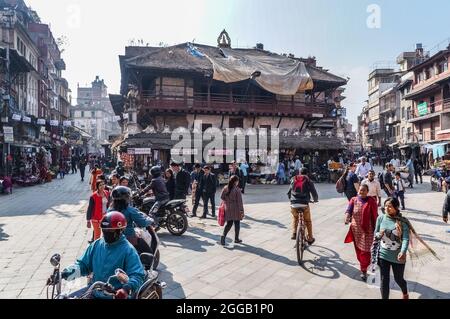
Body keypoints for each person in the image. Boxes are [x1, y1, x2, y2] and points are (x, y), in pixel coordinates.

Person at [61, 211, 146, 299]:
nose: (106, 233)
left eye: (110, 230)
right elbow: (83, 265)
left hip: (116, 295)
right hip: (94, 291)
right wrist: (66, 273)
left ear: (120, 231)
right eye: (104, 230)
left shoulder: (128, 250)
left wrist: (126, 289)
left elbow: (137, 275)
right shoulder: (97, 244)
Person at [373, 198, 409, 299]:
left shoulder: (402, 222)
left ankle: (405, 292)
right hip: (383, 255)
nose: (387, 208)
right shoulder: (380, 218)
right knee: (384, 280)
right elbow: (375, 234)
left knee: (399, 279)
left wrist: (403, 252)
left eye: (390, 206)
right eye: (386, 206)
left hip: (398, 257)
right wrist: (378, 234)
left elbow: (406, 238)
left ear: (396, 207)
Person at [344, 184, 378, 281]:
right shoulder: (353, 200)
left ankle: (364, 269)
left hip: (368, 231)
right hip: (356, 230)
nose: (361, 192)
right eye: (360, 190)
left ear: (367, 192)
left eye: (364, 190)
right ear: (358, 190)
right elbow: (348, 210)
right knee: (359, 250)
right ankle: (364, 266)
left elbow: (375, 215)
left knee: (365, 251)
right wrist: (347, 217)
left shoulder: (371, 201)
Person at [287, 168, 319, 243]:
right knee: (308, 220)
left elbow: (289, 192)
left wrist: (291, 200)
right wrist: (315, 199)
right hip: (304, 204)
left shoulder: (293, 179)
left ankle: (294, 233)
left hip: (294, 203)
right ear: (307, 173)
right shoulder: (308, 180)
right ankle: (310, 238)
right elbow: (314, 193)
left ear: (299, 172)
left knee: (295, 218)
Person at [220, 175, 245, 246]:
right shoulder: (237, 190)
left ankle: (223, 236)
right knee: (237, 224)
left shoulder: (225, 188)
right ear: (236, 182)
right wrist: (241, 211)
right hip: (236, 208)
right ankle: (236, 239)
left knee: (229, 224)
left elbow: (222, 197)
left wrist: (227, 202)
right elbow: (240, 202)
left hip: (228, 208)